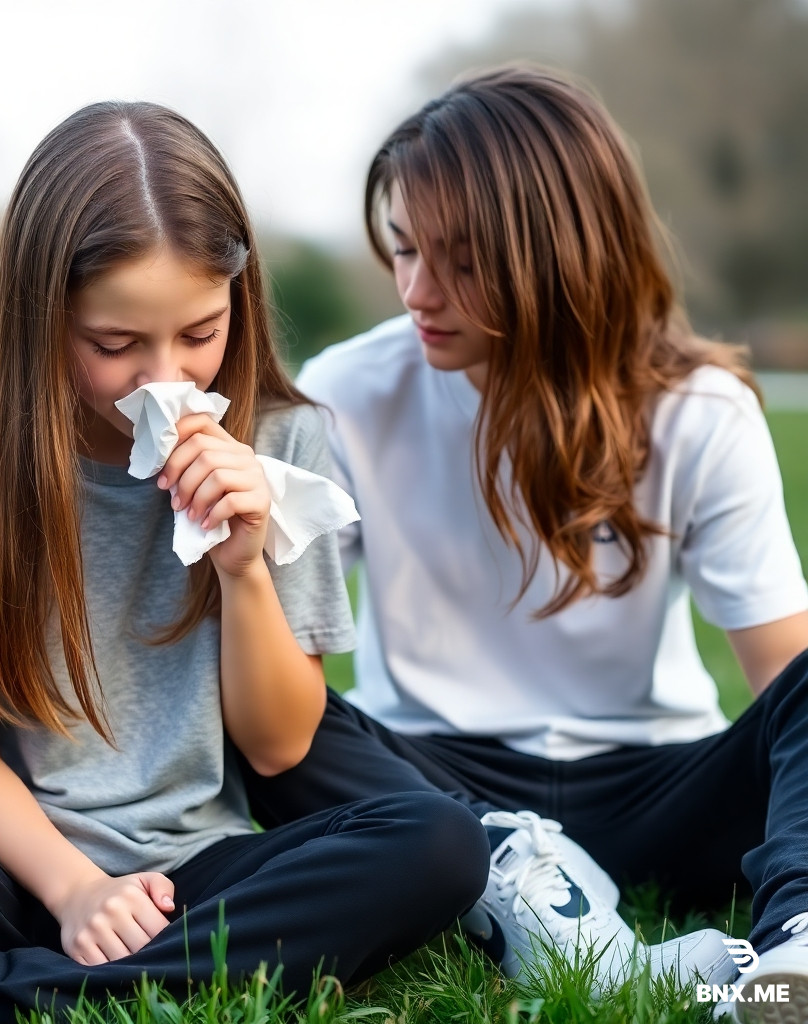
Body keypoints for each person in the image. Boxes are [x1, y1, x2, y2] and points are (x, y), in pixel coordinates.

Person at [0, 101, 489, 1024]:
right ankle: (34, 969)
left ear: (239, 294)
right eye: (116, 345)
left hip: (187, 866)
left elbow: (280, 743)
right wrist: (75, 890)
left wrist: (243, 568)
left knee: (436, 841)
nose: (168, 378)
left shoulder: (283, 443)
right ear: (43, 320)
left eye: (201, 332)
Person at [241, 65, 808, 1020]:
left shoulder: (701, 414)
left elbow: (785, 676)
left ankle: (792, 954)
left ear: (562, 250)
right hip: (435, 787)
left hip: (652, 785)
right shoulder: (344, 393)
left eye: (460, 259)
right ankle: (517, 878)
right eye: (404, 250)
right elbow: (279, 698)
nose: (418, 290)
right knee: (259, 699)